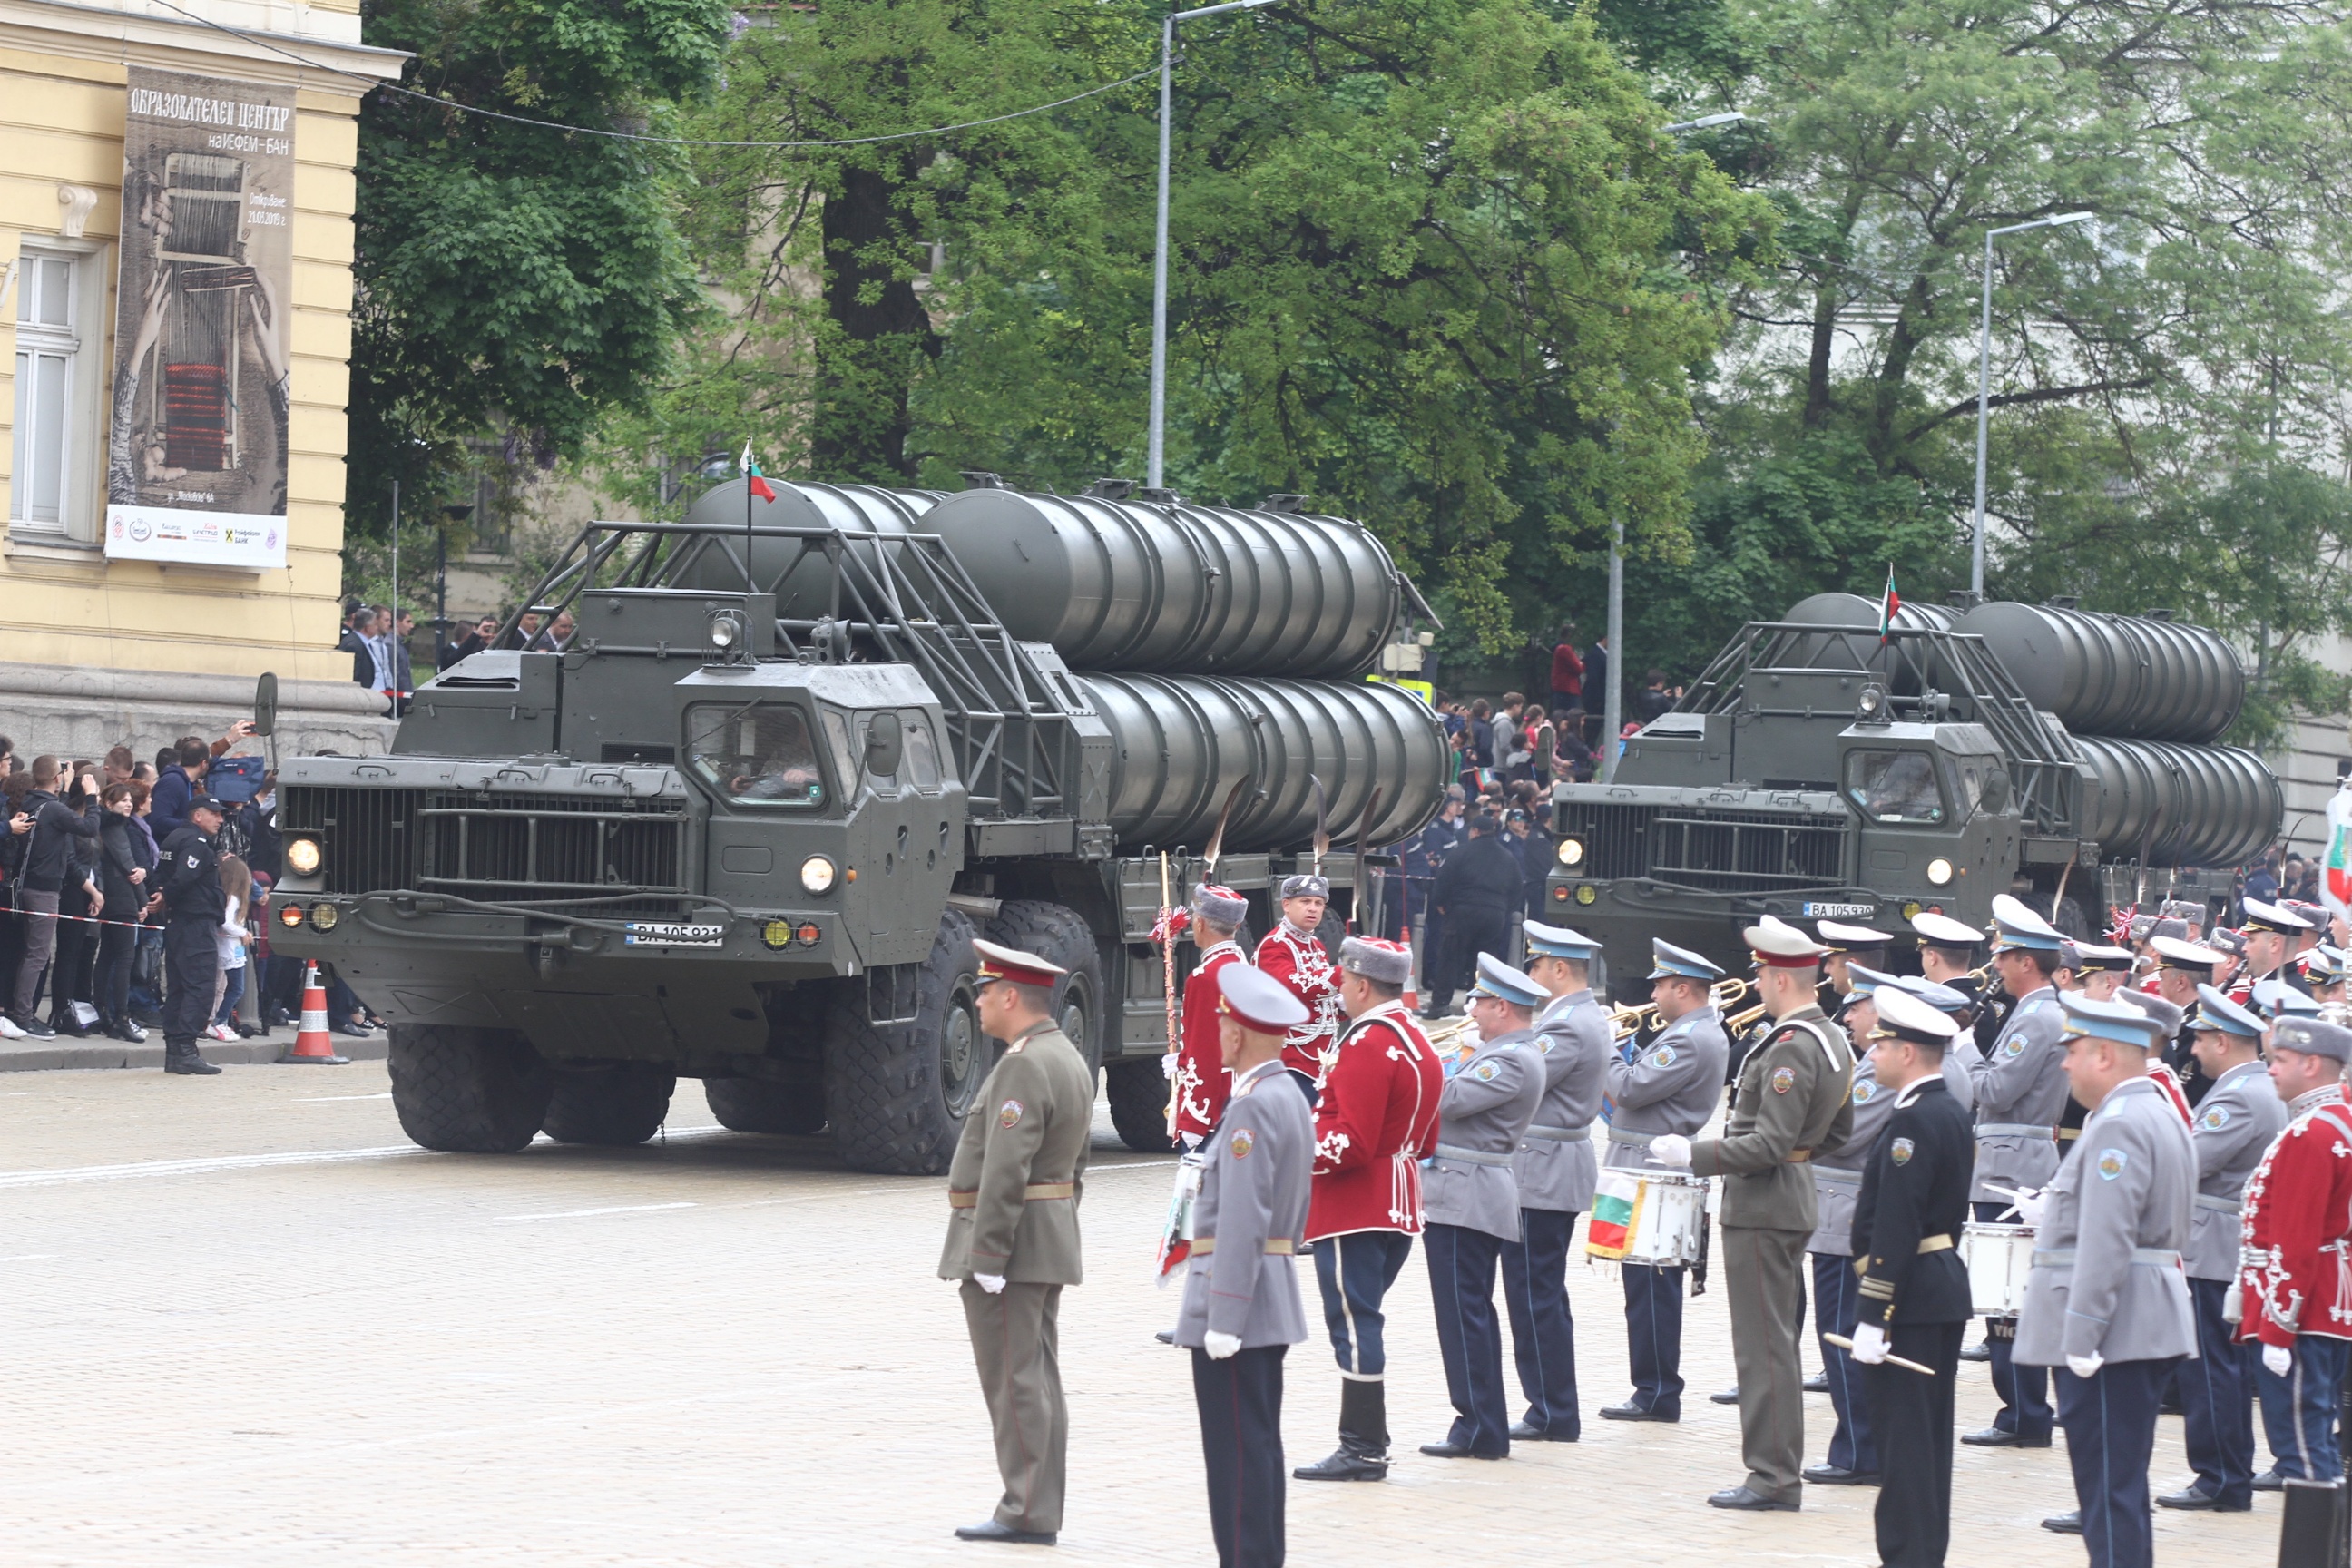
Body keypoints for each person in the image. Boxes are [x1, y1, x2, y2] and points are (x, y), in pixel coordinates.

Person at [1653, 916, 1856, 1512]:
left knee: (1763, 1349)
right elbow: (1838, 1132)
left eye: (1764, 975)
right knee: (1776, 1343)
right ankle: (1775, 1470)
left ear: (1781, 979)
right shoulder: (1829, 1037)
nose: (1759, 985)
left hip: (1764, 1205)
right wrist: (1798, 1155)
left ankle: (1771, 1477)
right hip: (1787, 1196)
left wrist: (1695, 1155)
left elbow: (1768, 1143)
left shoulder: (1792, 1046)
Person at [2013, 992, 2196, 1567]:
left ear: (2106, 1056)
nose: (2065, 1064)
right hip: (2137, 1320)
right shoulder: (2152, 1110)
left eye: (2074, 1052)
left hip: (2113, 1332)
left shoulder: (2119, 1123)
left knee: (2108, 1491)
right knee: (2118, 1488)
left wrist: (2083, 1333)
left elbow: (2107, 1237)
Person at [939, 938, 1093, 1547]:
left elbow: (1006, 1168)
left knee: (1015, 1382)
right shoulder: (1066, 1056)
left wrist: (988, 1256)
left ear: (1010, 997)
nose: (977, 1003)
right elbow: (1076, 1166)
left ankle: (1025, 1510)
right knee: (1036, 1377)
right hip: (1045, 1237)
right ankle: (1036, 1504)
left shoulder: (1024, 1065)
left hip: (1013, 1246)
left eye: (985, 992)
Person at [1173, 962, 1314, 1568]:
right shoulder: (1287, 1094)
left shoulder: (1253, 1107)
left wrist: (1225, 1315)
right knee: (1256, 1443)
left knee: (1235, 1454)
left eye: (1222, 1024)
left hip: (1241, 1300)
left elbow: (1243, 1214)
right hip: (1269, 1292)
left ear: (1238, 1033)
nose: (1218, 1035)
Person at [1293, 936, 1443, 1484]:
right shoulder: (1415, 1037)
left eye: (1343, 982)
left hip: (1356, 1203)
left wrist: (1291, 1147)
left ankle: (1361, 1448)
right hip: (1398, 1197)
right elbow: (1427, 1138)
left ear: (1361, 985)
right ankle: (1368, 1442)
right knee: (1363, 1317)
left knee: (1354, 1324)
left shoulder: (1368, 1042)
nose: (1339, 990)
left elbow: (1350, 1143)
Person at [1841, 985, 1975, 1568]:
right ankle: (1923, 1554)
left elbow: (1897, 1223)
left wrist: (1874, 1313)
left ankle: (1907, 1557)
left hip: (1909, 1296)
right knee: (1927, 1439)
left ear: (1908, 1052)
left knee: (1905, 1444)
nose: (1872, 1053)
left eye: (1881, 1044)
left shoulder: (1914, 1122)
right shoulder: (1946, 1108)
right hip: (1934, 1286)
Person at [2152, 985, 2287, 1514]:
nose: (2194, 1050)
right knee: (2220, 1366)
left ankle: (2221, 1477)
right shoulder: (2259, 1086)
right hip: (2223, 1243)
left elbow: (2187, 1160)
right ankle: (2225, 1473)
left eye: (2202, 1040)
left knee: (2208, 1368)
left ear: (2224, 1042)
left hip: (2211, 1246)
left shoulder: (2237, 1096)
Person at [1417, 953, 1547, 1460]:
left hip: (1466, 1195)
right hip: (1463, 1192)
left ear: (1503, 1007)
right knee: (1467, 1313)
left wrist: (1419, 1057)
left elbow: (1446, 1100)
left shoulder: (1509, 1059)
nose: (1471, 1011)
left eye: (1480, 1002)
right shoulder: (1504, 1052)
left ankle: (1478, 1425)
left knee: (1463, 1315)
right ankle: (1480, 1422)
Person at [1599, 938, 1730, 1423]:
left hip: (1649, 1171)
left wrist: (1609, 1047)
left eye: (1660, 986)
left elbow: (1630, 1087)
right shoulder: (1690, 1032)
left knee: (1650, 1291)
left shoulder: (1689, 1038)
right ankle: (1653, 1388)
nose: (1652, 995)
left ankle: (1656, 1391)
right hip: (1642, 1165)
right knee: (1644, 1286)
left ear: (1683, 988)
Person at [1961, 894, 2070, 1449]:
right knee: (2004, 1296)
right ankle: (2022, 1410)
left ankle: (2024, 1412)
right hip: (2009, 1162)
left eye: (2004, 956)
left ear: (2027, 961)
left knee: (2008, 1297)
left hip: (2012, 1168)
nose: (1997, 965)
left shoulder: (2037, 1018)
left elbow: (1997, 1090)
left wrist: (1963, 1050)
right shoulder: (2032, 1013)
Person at [1799, 962, 1909, 1488]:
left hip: (1844, 1215)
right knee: (1841, 1332)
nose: (1847, 1018)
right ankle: (1860, 1446)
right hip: (1839, 1210)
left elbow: (1843, 1136)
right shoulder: (1866, 1064)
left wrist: (1788, 1134)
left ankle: (1860, 1450)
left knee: (1842, 1334)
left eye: (1856, 1008)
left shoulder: (1875, 1073)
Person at [1503, 920, 1610, 1443]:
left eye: (1537, 965)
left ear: (1560, 969)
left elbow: (1520, 1078)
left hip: (1542, 1171)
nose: (1532, 974)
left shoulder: (1566, 1025)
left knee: (1533, 1295)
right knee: (1538, 1292)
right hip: (1544, 1167)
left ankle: (1551, 1411)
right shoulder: (1578, 1015)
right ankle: (1550, 1407)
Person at [2236, 1014, 2352, 1490]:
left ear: (2312, 1064)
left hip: (2302, 1309)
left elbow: (2296, 1238)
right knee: (2312, 1435)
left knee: (2304, 1448)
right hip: (2323, 1299)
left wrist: (2279, 1329)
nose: (2270, 1069)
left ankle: (2317, 1535)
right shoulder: (2334, 1122)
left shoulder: (2312, 1133)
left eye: (2280, 1060)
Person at [7, 757, 102, 1039]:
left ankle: (18, 1009)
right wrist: (91, 796)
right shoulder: (54, 809)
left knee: (29, 953)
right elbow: (89, 827)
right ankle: (23, 1015)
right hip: (44, 889)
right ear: (57, 778)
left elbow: (56, 812)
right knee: (37, 956)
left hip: (24, 885)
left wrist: (65, 788)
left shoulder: (31, 803)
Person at [1173, 884, 1251, 1145]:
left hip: (1214, 1110)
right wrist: (1181, 1059)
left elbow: (1205, 1051)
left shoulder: (1205, 977)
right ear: (1236, 926)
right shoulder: (1243, 967)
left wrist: (1195, 1119)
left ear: (1200, 923)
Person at [158, 794, 230, 1075]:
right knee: (200, 988)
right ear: (198, 815)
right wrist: (167, 896)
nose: (220, 819)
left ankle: (175, 1053)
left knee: (179, 988)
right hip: (195, 923)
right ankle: (186, 1050)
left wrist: (162, 896)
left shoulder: (173, 838)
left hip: (179, 922)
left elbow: (160, 875)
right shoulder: (196, 843)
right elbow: (183, 878)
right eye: (215, 814)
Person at [1423, 815, 1520, 1016]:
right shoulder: (1508, 857)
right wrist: (1503, 910)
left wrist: (1441, 903)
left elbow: (1443, 880)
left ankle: (1440, 1004)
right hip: (1494, 914)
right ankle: (1477, 1007)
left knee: (1449, 957)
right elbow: (1517, 891)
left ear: (1474, 831)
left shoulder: (1461, 852)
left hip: (1462, 911)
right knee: (1483, 963)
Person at [1254, 874, 1339, 1097]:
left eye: (1318, 903)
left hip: (1321, 1058)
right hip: (1289, 1058)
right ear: (1286, 905)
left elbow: (1321, 1006)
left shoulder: (1317, 946)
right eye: (1305, 901)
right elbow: (1293, 987)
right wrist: (1344, 975)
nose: (1313, 908)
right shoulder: (1274, 945)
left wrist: (1344, 1004)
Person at [94, 782, 151, 1043]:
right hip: (122, 899)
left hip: (111, 897)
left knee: (106, 956)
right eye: (123, 800)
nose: (129, 804)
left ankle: (103, 1013)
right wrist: (143, 901)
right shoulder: (115, 827)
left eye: (130, 800)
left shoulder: (105, 825)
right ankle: (121, 1018)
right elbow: (130, 868)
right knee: (124, 959)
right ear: (109, 803)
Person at [1549, 629, 1584, 719]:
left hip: (1562, 689)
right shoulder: (1565, 649)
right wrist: (1582, 664)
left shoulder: (1560, 649)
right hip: (1568, 690)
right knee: (1572, 717)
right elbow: (1578, 668)